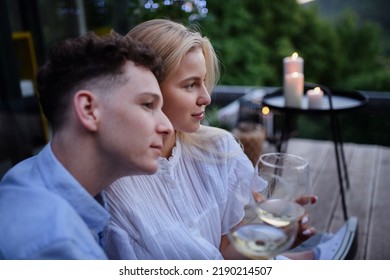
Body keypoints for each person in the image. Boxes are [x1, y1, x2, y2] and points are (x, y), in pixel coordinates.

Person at [102, 19, 356, 260]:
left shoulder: (217, 150)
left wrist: (277, 237)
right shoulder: (112, 185)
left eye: (204, 82)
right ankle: (306, 260)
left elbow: (225, 250)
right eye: (190, 85)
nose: (206, 97)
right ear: (147, 89)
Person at [0, 31, 173, 259]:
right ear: (88, 110)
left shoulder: (26, 175)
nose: (167, 126)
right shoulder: (55, 244)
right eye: (148, 104)